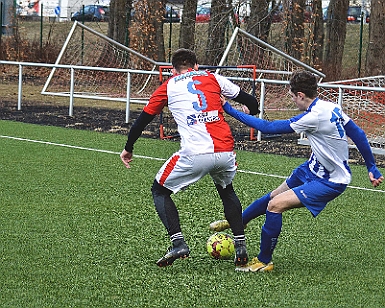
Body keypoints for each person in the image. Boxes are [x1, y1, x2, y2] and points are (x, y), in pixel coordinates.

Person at [210, 70, 384, 272]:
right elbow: (358, 133)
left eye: (292, 96)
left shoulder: (313, 117)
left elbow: (267, 127)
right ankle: (237, 223)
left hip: (330, 181)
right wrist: (371, 165)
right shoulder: (331, 106)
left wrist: (229, 109)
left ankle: (264, 261)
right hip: (310, 169)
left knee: (275, 205)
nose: (292, 101)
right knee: (272, 196)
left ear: (300, 95)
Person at [120, 48, 260, 267]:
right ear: (196, 65)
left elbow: (141, 121)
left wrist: (128, 148)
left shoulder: (169, 85)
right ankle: (240, 245)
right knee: (227, 191)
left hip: (194, 154)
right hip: (225, 151)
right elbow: (252, 102)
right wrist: (247, 110)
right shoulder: (213, 77)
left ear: (174, 70)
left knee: (159, 190)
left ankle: (178, 243)